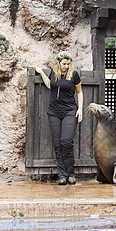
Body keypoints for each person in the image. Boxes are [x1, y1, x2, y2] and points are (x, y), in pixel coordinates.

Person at [36, 51, 83, 185]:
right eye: (64, 64)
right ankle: (62, 175)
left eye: (68, 64)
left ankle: (71, 174)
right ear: (58, 63)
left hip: (69, 111)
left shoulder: (73, 75)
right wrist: (41, 73)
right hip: (54, 112)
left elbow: (79, 92)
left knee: (66, 142)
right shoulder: (54, 73)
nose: (66, 66)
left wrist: (80, 109)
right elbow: (50, 85)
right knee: (57, 145)